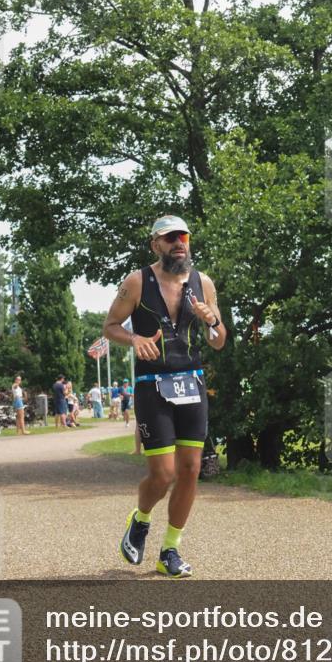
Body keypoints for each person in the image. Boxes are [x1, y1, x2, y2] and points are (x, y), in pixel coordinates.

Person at [104, 214, 226, 578]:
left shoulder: (203, 283)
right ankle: (141, 519)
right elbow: (110, 327)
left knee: (190, 470)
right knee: (163, 474)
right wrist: (134, 339)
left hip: (192, 382)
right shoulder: (137, 282)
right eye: (170, 238)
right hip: (152, 385)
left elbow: (219, 342)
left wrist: (212, 321)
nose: (178, 244)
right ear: (156, 244)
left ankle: (170, 550)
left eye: (183, 237)